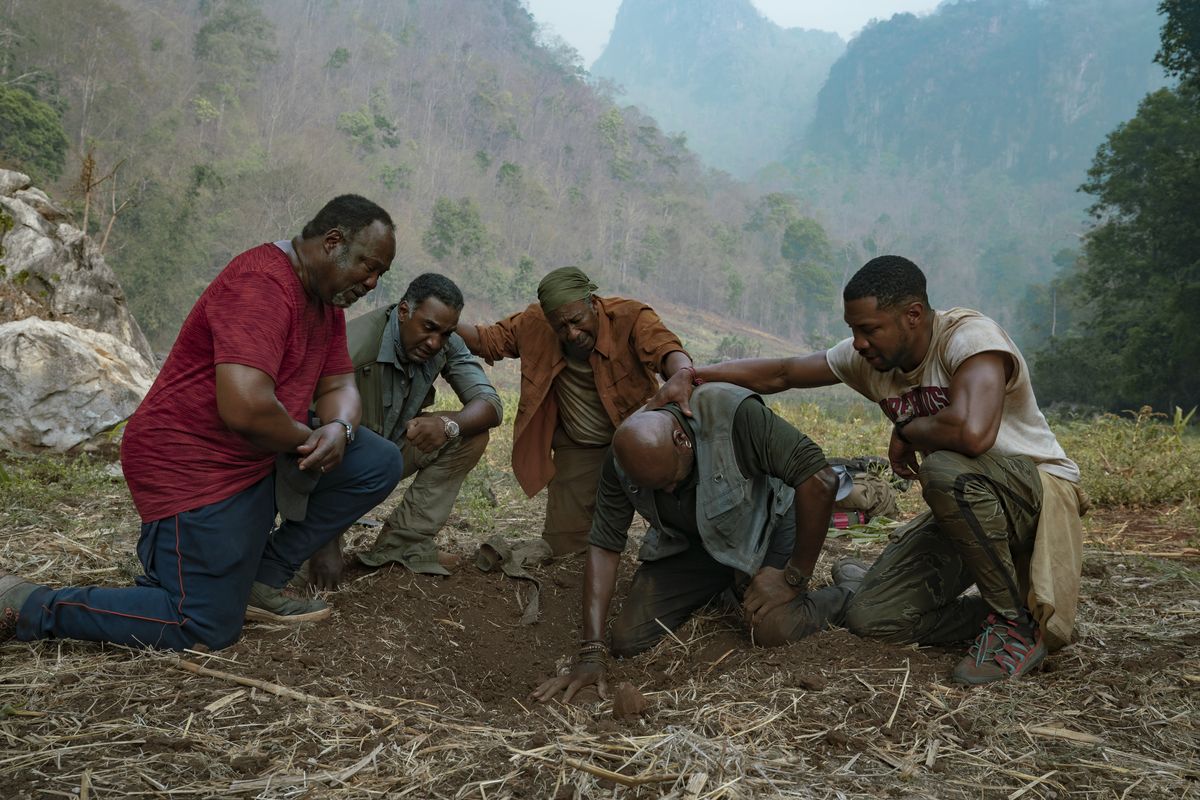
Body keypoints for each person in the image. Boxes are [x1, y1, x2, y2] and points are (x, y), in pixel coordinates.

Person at [651, 255, 1087, 685]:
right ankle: (998, 614)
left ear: (913, 315)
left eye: (869, 329)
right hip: (970, 514)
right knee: (873, 618)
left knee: (945, 471)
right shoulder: (871, 359)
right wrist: (693, 375)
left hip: (1035, 496)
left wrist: (910, 430)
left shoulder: (970, 339)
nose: (858, 342)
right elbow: (782, 373)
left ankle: (1015, 625)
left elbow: (974, 435)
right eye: (852, 330)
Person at [0, 195, 404, 651]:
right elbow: (245, 409)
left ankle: (259, 580)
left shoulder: (325, 302)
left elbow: (339, 387)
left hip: (256, 456)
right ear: (333, 243)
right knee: (201, 624)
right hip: (190, 461)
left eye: (379, 275)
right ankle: (28, 604)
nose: (371, 283)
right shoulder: (262, 284)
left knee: (377, 460)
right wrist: (311, 437)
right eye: (368, 267)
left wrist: (340, 430)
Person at [532, 382, 853, 703]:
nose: (669, 493)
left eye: (672, 481)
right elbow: (604, 544)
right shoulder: (622, 458)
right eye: (657, 489)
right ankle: (731, 584)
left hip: (768, 527)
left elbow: (821, 480)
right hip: (695, 543)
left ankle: (848, 592)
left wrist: (793, 576)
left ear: (682, 440)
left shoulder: (733, 415)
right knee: (629, 639)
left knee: (773, 629)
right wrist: (591, 652)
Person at [456, 266, 693, 555]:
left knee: (681, 529)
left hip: (640, 441)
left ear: (593, 303)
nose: (572, 333)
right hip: (581, 447)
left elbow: (665, 348)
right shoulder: (535, 323)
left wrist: (681, 373)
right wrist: (444, 321)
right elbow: (487, 341)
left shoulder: (630, 317)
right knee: (563, 546)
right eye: (561, 327)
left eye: (577, 321)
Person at [303, 273, 502, 586]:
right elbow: (308, 440)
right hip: (337, 466)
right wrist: (326, 538)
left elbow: (490, 404)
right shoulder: (354, 347)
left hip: (387, 455)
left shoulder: (444, 345)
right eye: (429, 328)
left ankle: (402, 544)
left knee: (470, 432)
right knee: (301, 568)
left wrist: (449, 425)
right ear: (404, 311)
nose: (435, 342)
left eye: (446, 333)